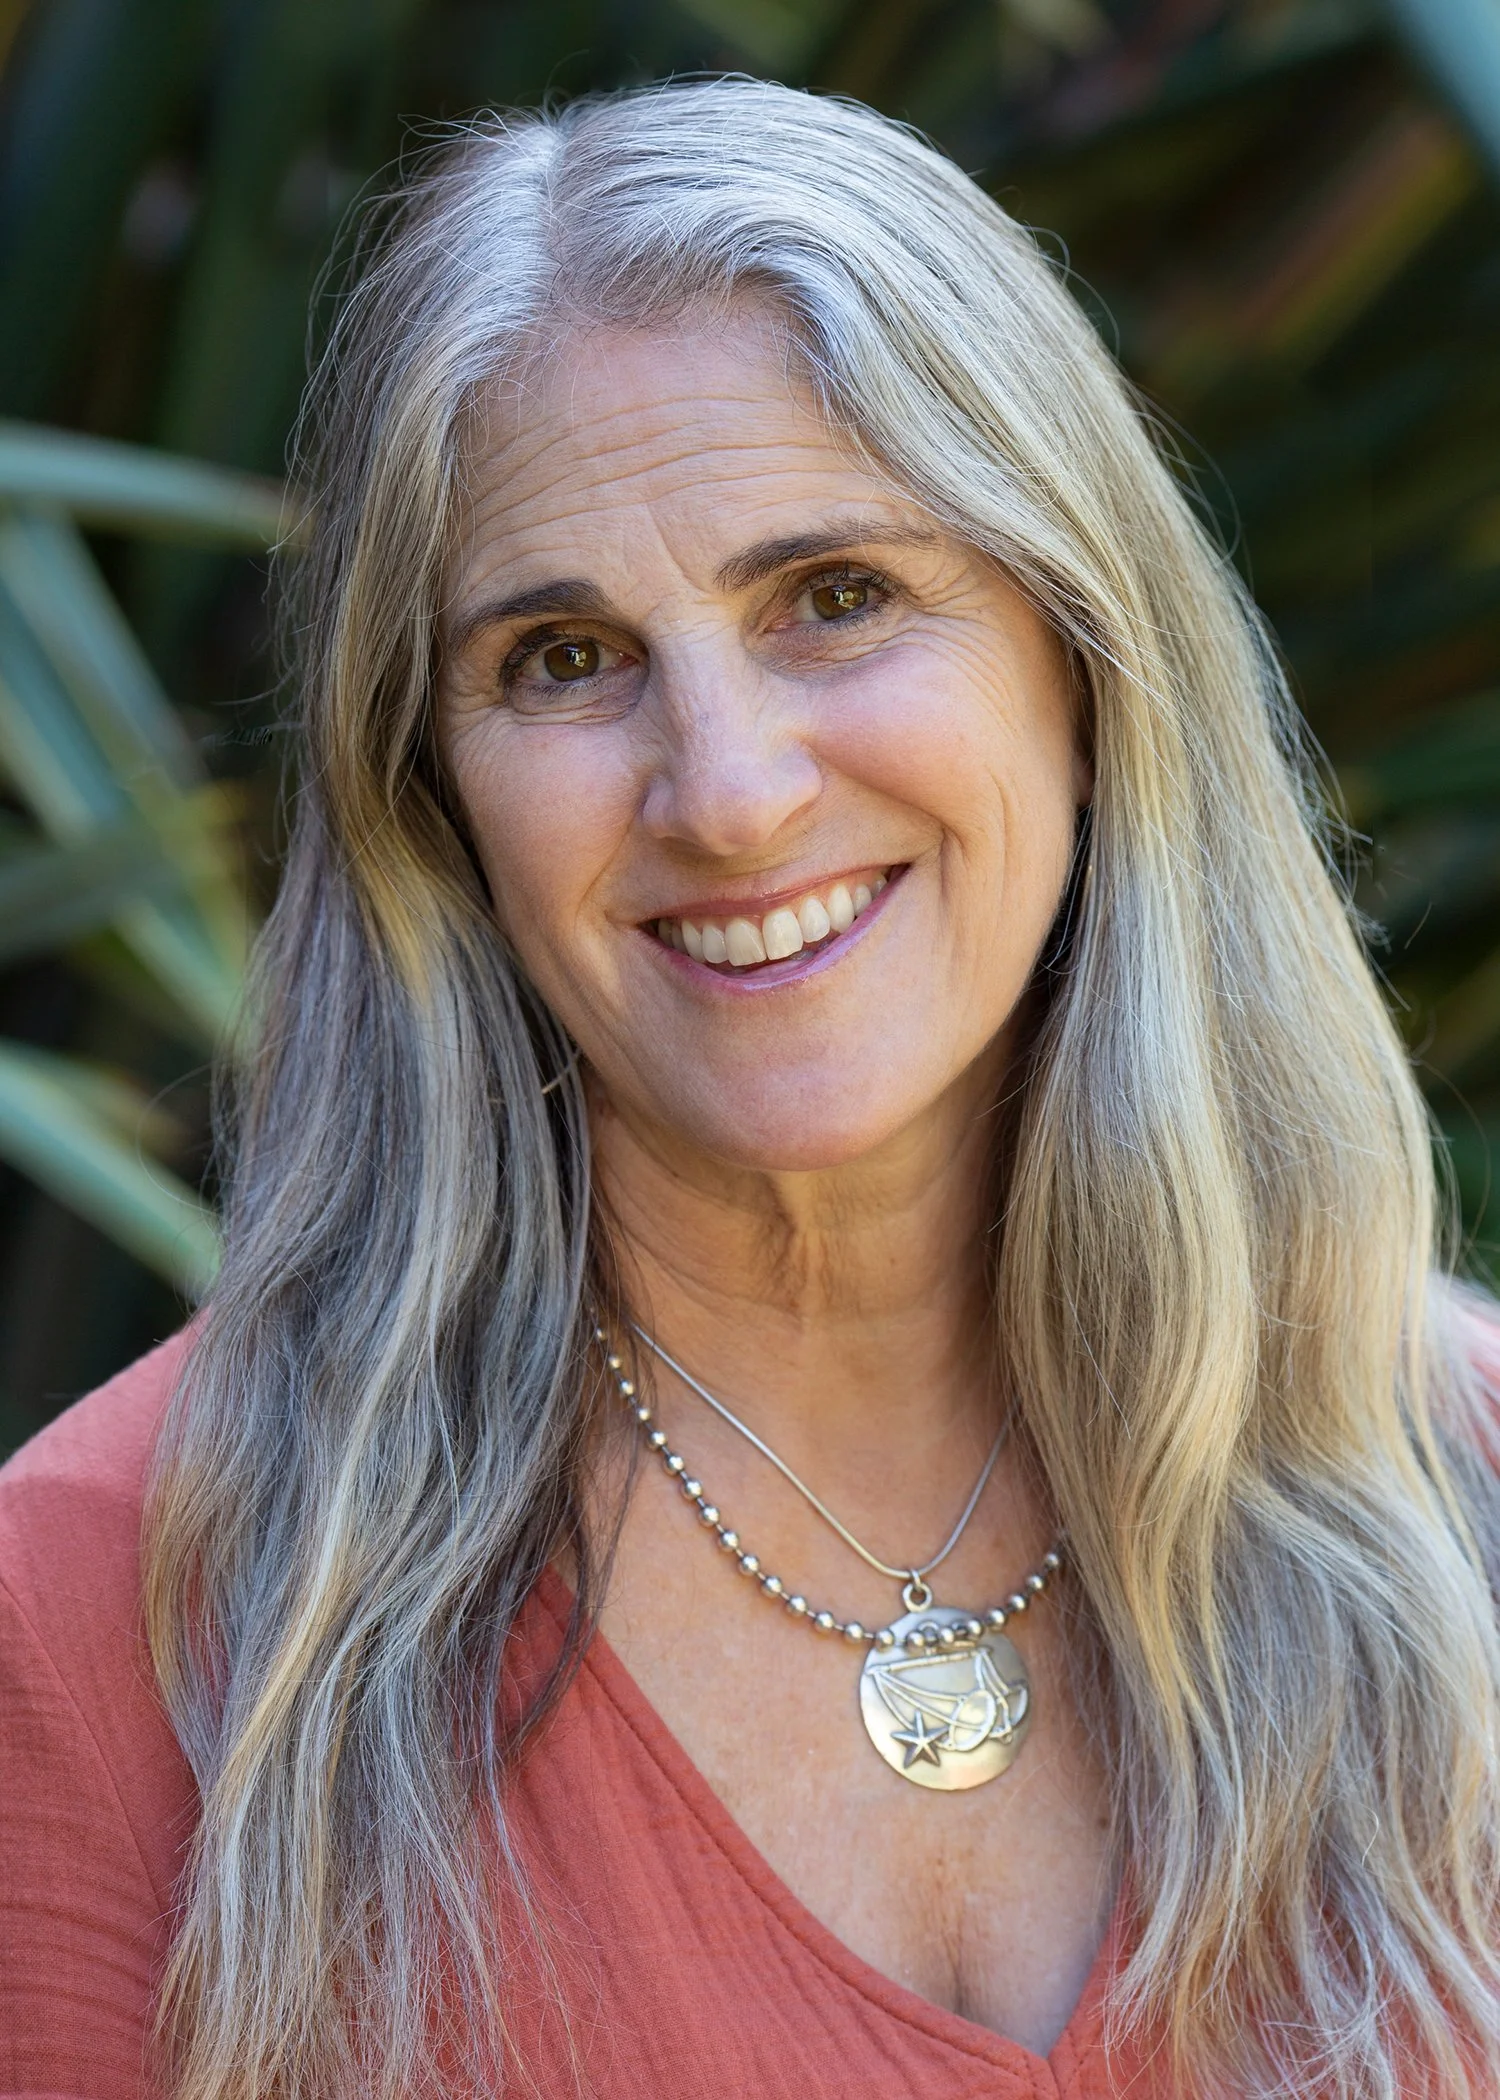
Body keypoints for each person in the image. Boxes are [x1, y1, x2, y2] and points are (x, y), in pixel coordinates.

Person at [2, 77, 1497, 2100]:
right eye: (560, 658)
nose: (727, 792)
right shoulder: (107, 1624)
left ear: (1082, 661)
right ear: (430, 800)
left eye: (838, 598)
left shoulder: (1461, 1496)